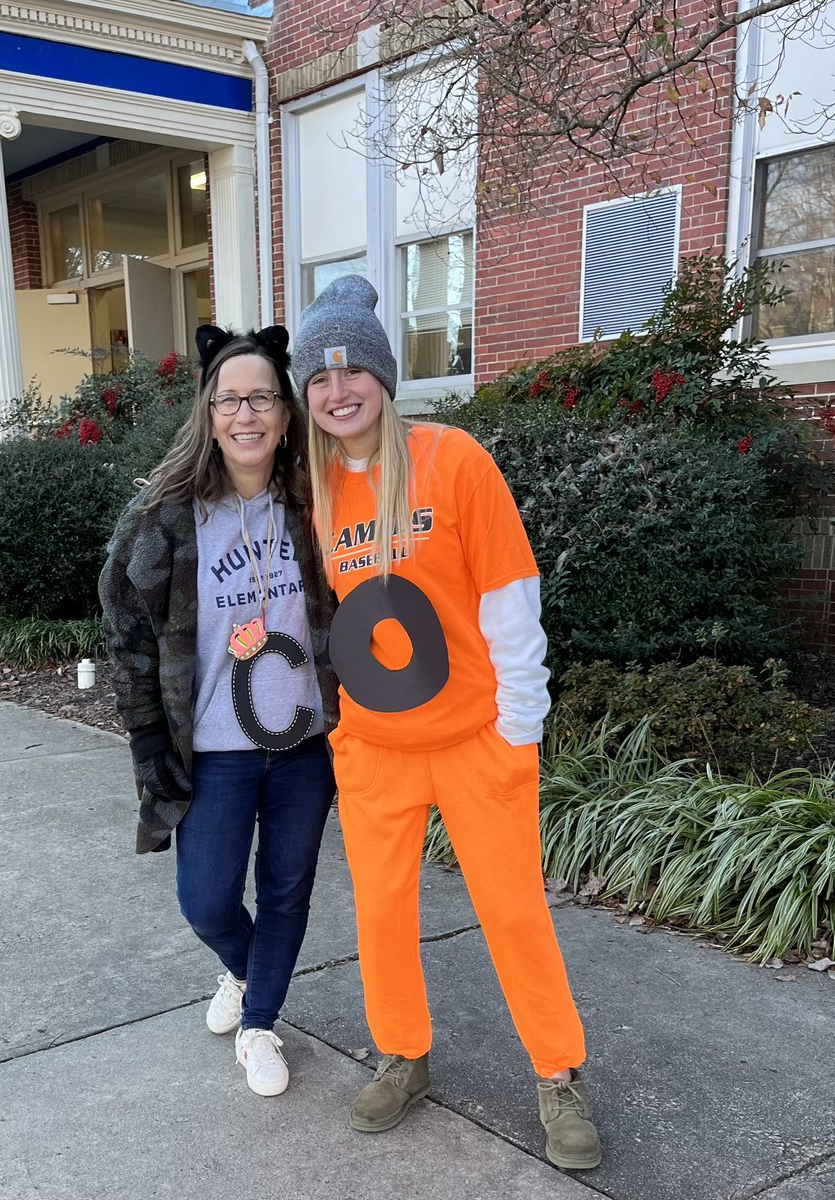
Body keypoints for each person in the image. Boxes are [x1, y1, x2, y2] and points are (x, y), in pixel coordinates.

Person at [291, 275, 602, 1172]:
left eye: (352, 375)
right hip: (377, 750)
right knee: (382, 914)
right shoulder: (312, 494)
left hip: (474, 740)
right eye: (318, 379)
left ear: (384, 380)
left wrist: (519, 726)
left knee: (512, 909)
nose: (337, 392)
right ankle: (403, 1053)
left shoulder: (454, 458)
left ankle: (557, 1073)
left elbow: (511, 598)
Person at [99, 324, 338, 1098]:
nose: (247, 414)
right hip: (215, 747)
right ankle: (243, 973)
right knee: (205, 899)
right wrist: (149, 750)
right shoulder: (165, 521)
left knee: (287, 889)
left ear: (286, 412)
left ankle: (261, 1020)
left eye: (263, 397)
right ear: (207, 411)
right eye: (230, 398)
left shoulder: (315, 505)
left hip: (303, 744)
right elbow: (128, 635)